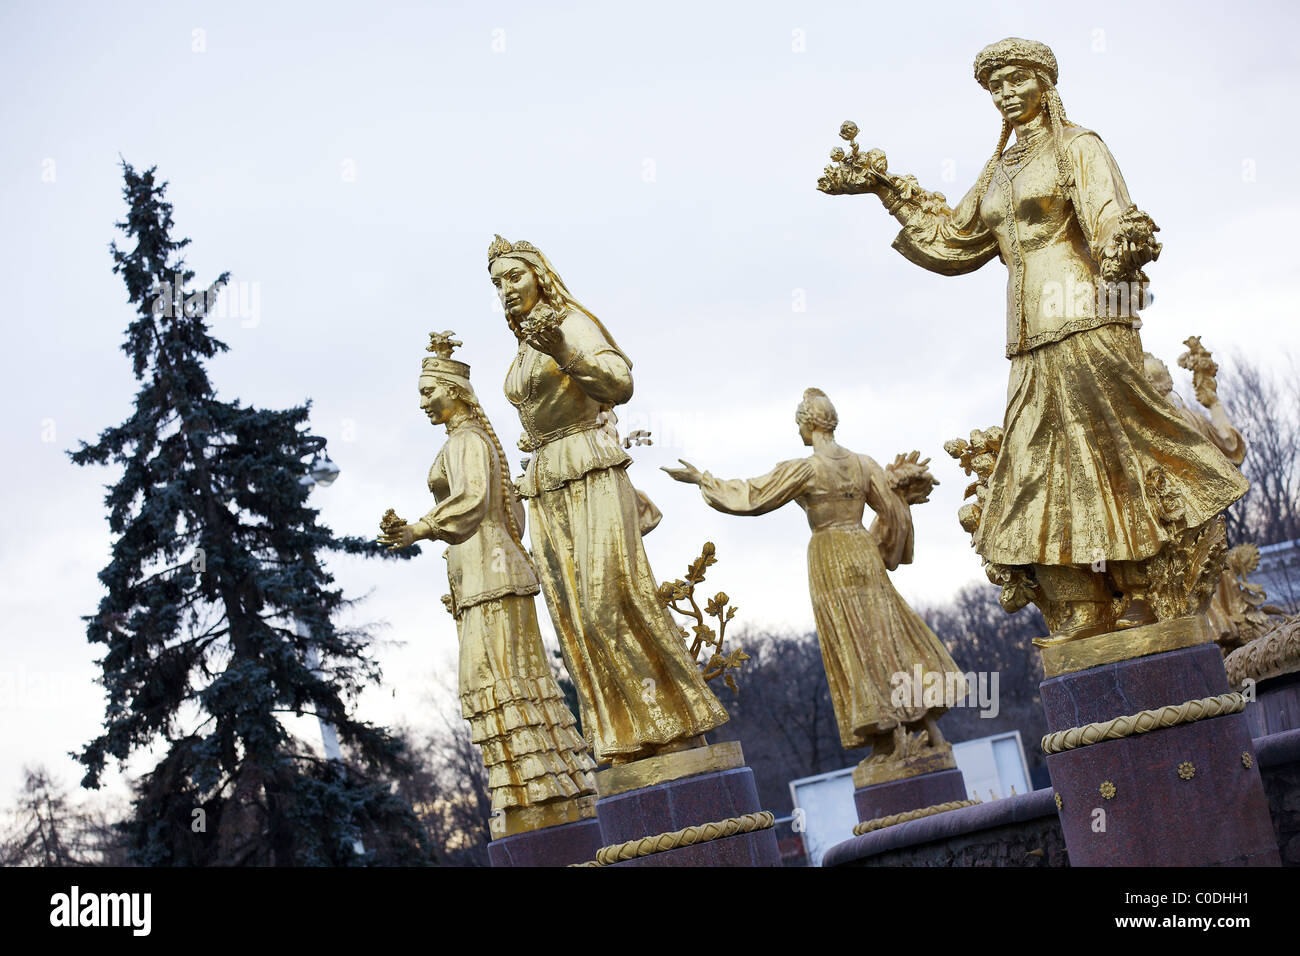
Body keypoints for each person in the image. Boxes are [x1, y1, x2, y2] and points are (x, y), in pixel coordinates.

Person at [818, 37, 1249, 642]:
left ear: (1045, 82)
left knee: (1115, 454)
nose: (1005, 93)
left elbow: (1108, 218)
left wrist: (1127, 244)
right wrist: (885, 191)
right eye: (995, 86)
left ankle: (1147, 589)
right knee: (1037, 466)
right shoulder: (999, 169)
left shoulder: (1079, 147)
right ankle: (1084, 603)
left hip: (1085, 319)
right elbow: (955, 240)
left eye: (1016, 80)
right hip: (1028, 338)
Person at [487, 236, 729, 765]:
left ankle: (679, 725)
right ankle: (626, 738)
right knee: (572, 614)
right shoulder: (524, 342)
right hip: (548, 479)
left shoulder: (568, 323)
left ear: (539, 275)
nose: (505, 290)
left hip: (590, 466)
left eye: (513, 277)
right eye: (497, 283)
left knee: (607, 602)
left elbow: (619, 384)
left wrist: (564, 353)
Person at [664, 389, 959, 765]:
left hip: (830, 554)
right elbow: (894, 512)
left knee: (856, 642)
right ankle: (905, 735)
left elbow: (755, 496)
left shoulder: (808, 468)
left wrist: (702, 480)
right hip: (862, 550)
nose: (799, 432)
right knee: (886, 634)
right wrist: (879, 545)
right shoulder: (864, 464)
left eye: (799, 424)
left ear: (809, 423)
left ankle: (891, 734)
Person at [377, 331, 595, 831]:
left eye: (429, 392)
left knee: (495, 680)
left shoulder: (467, 441)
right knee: (505, 680)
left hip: (490, 577)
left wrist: (420, 527)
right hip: (482, 576)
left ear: (456, 391)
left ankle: (544, 798)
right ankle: (540, 792)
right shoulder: (467, 441)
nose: (424, 403)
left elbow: (475, 499)